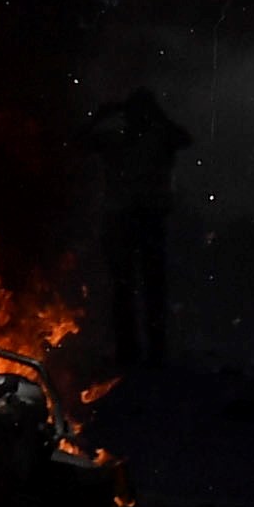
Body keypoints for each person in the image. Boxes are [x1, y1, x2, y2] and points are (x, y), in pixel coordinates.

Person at [82, 84, 190, 372]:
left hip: (145, 217)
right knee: (127, 287)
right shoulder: (117, 139)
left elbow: (185, 139)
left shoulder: (158, 137)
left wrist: (103, 117)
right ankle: (132, 350)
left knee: (146, 286)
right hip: (125, 218)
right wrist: (99, 116)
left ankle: (152, 351)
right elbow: (79, 144)